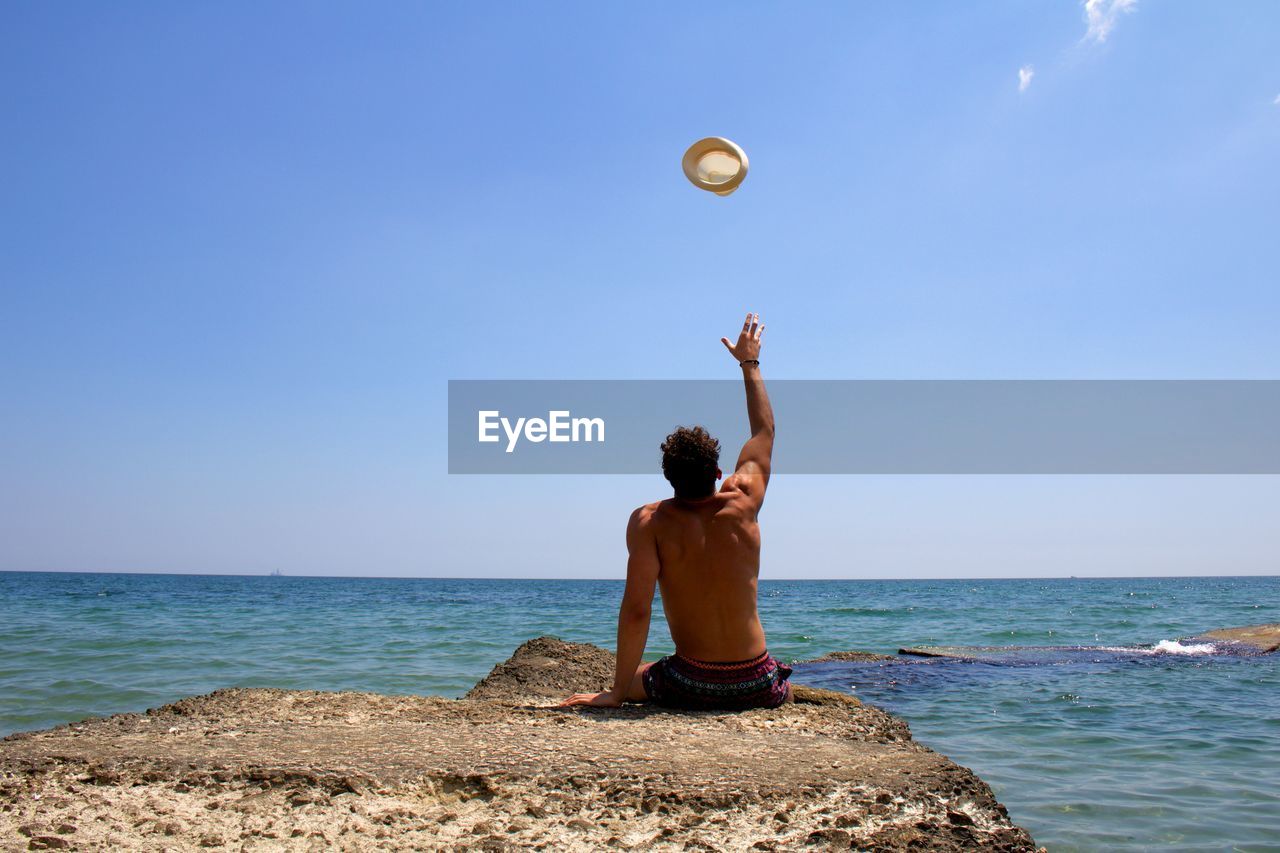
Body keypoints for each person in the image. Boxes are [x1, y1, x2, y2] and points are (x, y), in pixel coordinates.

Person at [558, 312, 792, 710]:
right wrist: (748, 363)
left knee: (636, 677)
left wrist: (616, 693)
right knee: (774, 679)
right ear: (718, 472)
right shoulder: (744, 499)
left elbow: (636, 610)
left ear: (668, 477)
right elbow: (763, 432)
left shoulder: (650, 522)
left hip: (691, 681)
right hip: (758, 681)